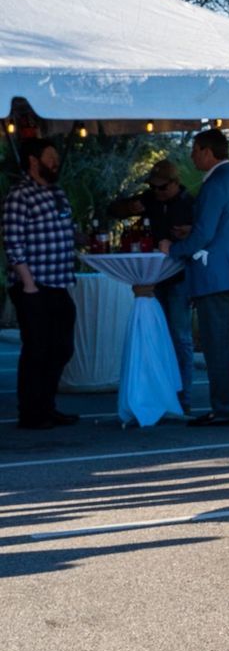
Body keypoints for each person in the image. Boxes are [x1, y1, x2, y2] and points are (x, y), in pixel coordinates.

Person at [162, 128, 229, 427]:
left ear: (207, 151)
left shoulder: (215, 185)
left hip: (216, 276)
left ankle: (224, 409)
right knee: (221, 343)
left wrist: (174, 248)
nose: (191, 156)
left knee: (216, 346)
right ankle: (224, 406)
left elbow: (204, 234)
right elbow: (226, 227)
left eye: (194, 150)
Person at [108, 158, 196, 412]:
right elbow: (113, 210)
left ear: (175, 183)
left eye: (162, 187)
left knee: (181, 337)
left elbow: (203, 233)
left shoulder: (190, 203)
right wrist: (130, 206)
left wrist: (189, 231)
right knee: (157, 334)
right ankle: (157, 391)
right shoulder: (148, 200)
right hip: (152, 280)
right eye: (153, 187)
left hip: (178, 278)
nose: (157, 192)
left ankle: (183, 395)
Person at [4, 132, 78, 430]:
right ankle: (31, 412)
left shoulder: (56, 192)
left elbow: (64, 228)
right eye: (50, 157)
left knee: (62, 347)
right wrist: (28, 283)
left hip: (59, 281)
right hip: (34, 285)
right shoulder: (19, 195)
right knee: (37, 348)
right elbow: (12, 240)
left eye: (56, 158)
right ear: (34, 161)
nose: (55, 162)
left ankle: (47, 405)